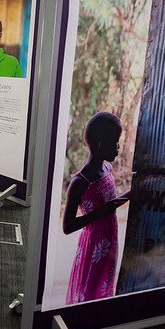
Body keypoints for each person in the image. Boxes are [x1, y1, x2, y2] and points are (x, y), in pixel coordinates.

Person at [63, 112, 130, 304]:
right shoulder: (80, 182)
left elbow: (112, 204)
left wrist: (134, 191)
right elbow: (67, 227)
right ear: (101, 144)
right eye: (115, 142)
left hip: (109, 242)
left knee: (103, 288)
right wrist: (99, 213)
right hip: (93, 247)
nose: (118, 148)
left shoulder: (107, 168)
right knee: (90, 291)